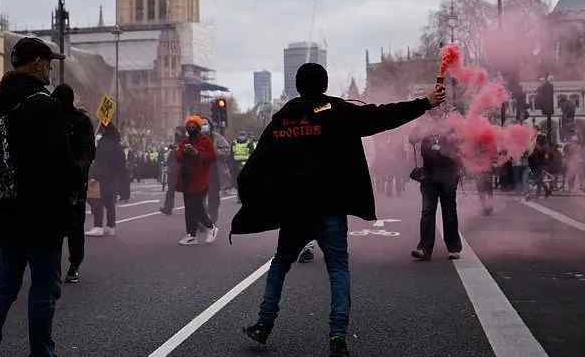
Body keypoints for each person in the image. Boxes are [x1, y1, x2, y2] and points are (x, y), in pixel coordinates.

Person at [233, 63, 445, 357]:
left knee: (280, 264)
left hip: (295, 209)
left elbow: (256, 165)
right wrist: (425, 103)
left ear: (297, 86)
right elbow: (381, 115)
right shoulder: (338, 111)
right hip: (331, 206)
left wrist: (248, 202)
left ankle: (263, 324)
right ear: (324, 83)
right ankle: (338, 336)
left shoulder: (283, 119)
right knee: (337, 268)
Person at [0, 37, 72, 357]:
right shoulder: (47, 105)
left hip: (9, 211)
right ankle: (42, 353)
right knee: (43, 290)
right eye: (48, 63)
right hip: (42, 213)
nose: (50, 69)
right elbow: (61, 163)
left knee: (4, 288)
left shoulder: (1, 101)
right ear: (37, 63)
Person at [52, 84, 95, 283]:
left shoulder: (81, 121)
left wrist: (79, 167)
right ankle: (55, 267)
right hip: (55, 181)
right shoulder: (51, 120)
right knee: (55, 228)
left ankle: (74, 264)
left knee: (75, 227)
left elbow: (89, 151)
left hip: (75, 182)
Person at [412, 124, 463, 260]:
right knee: (427, 211)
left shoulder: (452, 125)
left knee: (449, 211)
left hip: (448, 175)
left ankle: (453, 248)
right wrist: (418, 129)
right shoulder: (425, 126)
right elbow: (412, 139)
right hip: (429, 176)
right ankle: (424, 248)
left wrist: (441, 149)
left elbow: (457, 149)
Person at [175, 116, 218, 245]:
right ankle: (191, 235)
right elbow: (178, 157)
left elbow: (212, 157)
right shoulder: (185, 141)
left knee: (196, 206)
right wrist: (183, 151)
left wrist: (196, 153)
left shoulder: (205, 140)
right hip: (186, 178)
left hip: (200, 179)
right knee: (188, 208)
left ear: (198, 128)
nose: (191, 128)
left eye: (193, 126)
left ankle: (211, 227)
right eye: (189, 126)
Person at [86, 122, 124, 237]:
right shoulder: (117, 144)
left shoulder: (103, 144)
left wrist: (94, 177)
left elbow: (99, 162)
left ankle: (98, 226)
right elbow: (121, 163)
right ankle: (111, 226)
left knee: (96, 200)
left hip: (101, 177)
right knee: (109, 202)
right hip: (112, 178)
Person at [160, 126, 186, 215]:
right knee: (170, 189)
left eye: (178, 131)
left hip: (182, 170)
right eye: (176, 131)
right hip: (174, 169)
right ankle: (168, 208)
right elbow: (170, 155)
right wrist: (168, 164)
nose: (176, 133)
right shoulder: (175, 143)